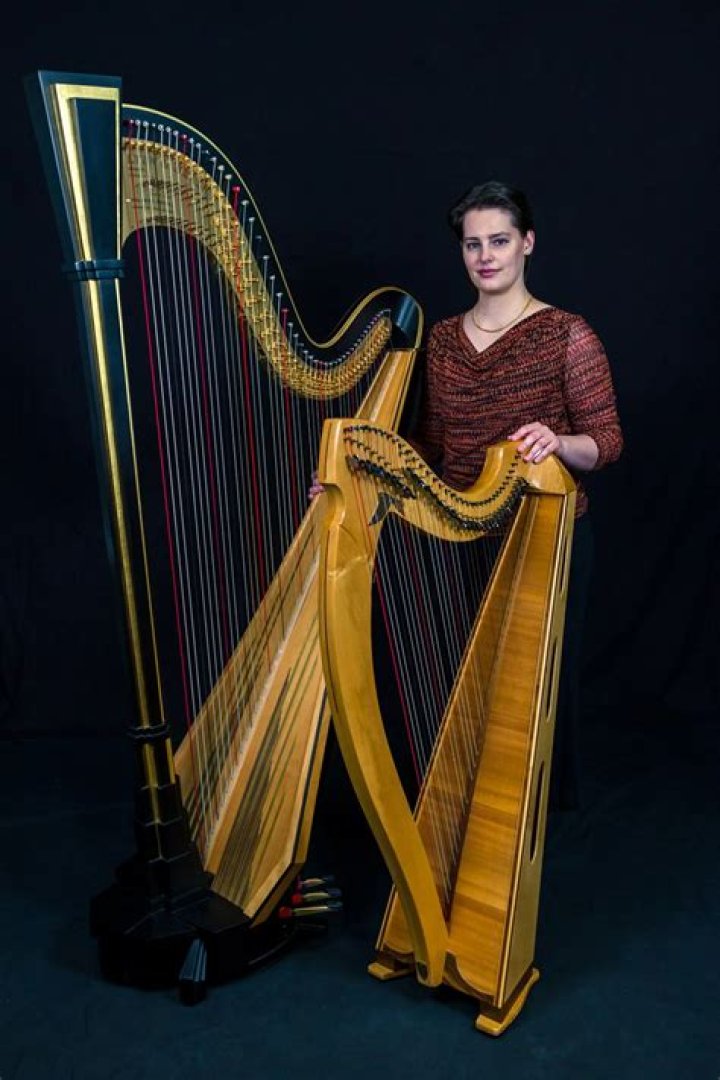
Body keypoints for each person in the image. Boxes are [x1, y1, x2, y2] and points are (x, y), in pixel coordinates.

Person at [411, 180, 623, 811]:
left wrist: (558, 441)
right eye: (473, 244)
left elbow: (607, 442)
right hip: (461, 531)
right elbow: (429, 443)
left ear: (527, 243)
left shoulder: (567, 334)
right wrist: (358, 468)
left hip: (545, 536)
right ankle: (480, 807)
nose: (486, 256)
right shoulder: (442, 341)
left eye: (499, 241)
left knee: (537, 685)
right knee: (468, 681)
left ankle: (546, 815)